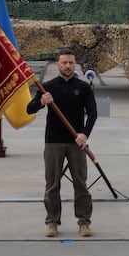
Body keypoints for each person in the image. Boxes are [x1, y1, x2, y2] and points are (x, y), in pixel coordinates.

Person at [26, 48, 98, 238]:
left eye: (71, 63)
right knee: (52, 185)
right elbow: (29, 109)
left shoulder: (83, 87)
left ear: (75, 65)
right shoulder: (48, 86)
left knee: (81, 184)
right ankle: (52, 222)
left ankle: (84, 222)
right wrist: (41, 102)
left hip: (77, 142)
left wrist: (85, 134)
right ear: (57, 64)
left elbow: (93, 113)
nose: (67, 66)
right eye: (64, 63)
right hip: (53, 142)